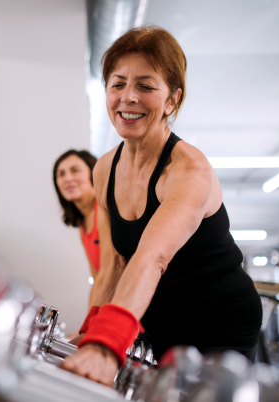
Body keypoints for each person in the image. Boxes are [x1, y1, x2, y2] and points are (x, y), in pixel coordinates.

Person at [61, 25, 262, 385]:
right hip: (161, 323)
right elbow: (114, 265)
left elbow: (152, 257)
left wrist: (108, 344)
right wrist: (91, 334)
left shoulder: (189, 169)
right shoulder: (105, 169)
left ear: (172, 100)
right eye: (118, 83)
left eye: (146, 86)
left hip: (221, 323)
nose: (128, 97)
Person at [53, 150, 100, 281]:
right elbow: (96, 278)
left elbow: (108, 275)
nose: (67, 178)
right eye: (61, 174)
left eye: (75, 170)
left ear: (93, 173)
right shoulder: (83, 224)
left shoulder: (103, 211)